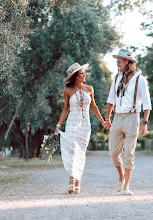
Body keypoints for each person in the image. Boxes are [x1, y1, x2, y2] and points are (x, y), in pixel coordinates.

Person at [55, 62, 107, 194]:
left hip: (85, 124)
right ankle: (72, 179)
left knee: (81, 153)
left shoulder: (89, 89)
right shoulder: (68, 90)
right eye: (81, 73)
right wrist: (58, 125)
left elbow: (94, 107)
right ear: (75, 76)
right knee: (73, 151)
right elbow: (65, 109)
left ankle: (78, 181)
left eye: (83, 72)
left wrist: (103, 121)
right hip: (72, 123)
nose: (84, 75)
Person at [105, 49, 152, 195]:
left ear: (127, 62)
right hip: (117, 117)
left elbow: (147, 103)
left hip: (133, 118)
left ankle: (126, 187)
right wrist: (107, 118)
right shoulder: (116, 78)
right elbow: (111, 100)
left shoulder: (140, 79)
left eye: (119, 61)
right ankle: (121, 174)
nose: (117, 64)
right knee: (113, 152)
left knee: (129, 154)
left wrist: (145, 123)